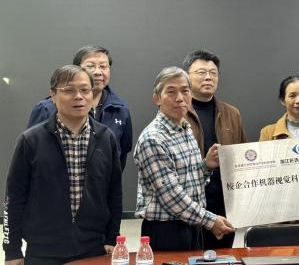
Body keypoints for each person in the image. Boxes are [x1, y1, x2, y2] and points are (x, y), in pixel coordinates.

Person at [3, 65, 122, 265]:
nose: (79, 96)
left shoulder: (105, 138)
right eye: (69, 90)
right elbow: (14, 198)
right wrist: (12, 250)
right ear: (53, 95)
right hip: (43, 251)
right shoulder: (31, 140)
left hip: (94, 248)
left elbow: (114, 193)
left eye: (85, 90)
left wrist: (112, 237)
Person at [133, 66, 235, 251]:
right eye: (171, 92)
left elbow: (188, 180)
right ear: (157, 98)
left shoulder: (185, 129)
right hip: (166, 230)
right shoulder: (153, 138)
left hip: (191, 225)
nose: (180, 98)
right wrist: (210, 221)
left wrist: (206, 166)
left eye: (185, 91)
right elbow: (171, 196)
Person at [26, 45, 133, 170]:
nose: (98, 72)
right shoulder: (47, 108)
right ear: (76, 69)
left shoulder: (120, 110)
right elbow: (30, 152)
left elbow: (121, 156)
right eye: (90, 66)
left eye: (103, 66)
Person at [182, 49, 246, 249]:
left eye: (213, 73)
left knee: (224, 258)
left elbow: (243, 160)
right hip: (190, 208)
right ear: (186, 77)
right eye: (201, 72)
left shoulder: (232, 114)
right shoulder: (178, 113)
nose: (208, 77)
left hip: (225, 206)